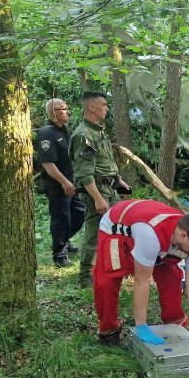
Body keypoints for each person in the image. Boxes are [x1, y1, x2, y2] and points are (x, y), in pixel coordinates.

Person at [93, 199, 189, 346]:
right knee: (106, 282)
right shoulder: (150, 236)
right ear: (183, 235)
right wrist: (141, 326)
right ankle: (109, 330)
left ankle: (174, 324)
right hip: (116, 228)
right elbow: (142, 281)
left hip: (157, 236)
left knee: (172, 277)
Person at [70, 91, 131, 287]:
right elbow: (84, 172)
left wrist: (118, 179)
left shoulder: (98, 131)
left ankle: (111, 268)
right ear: (92, 107)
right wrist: (97, 198)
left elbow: (105, 161)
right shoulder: (83, 135)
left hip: (110, 188)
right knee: (94, 232)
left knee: (116, 229)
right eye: (103, 104)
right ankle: (86, 276)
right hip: (97, 190)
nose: (107, 108)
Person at [36, 98, 85, 268]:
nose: (68, 111)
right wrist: (64, 182)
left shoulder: (64, 131)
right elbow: (47, 164)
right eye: (64, 109)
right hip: (57, 185)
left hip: (71, 183)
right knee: (61, 219)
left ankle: (63, 241)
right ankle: (59, 255)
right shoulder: (46, 134)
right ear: (54, 112)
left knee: (79, 213)